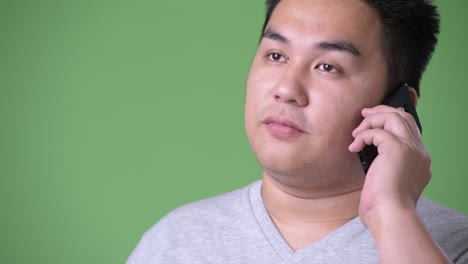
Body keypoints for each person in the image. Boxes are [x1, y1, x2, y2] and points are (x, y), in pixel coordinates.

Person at [127, 0, 468, 263]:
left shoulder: (453, 244)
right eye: (276, 55)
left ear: (396, 107)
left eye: (327, 66)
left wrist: (391, 213)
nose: (286, 89)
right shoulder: (176, 241)